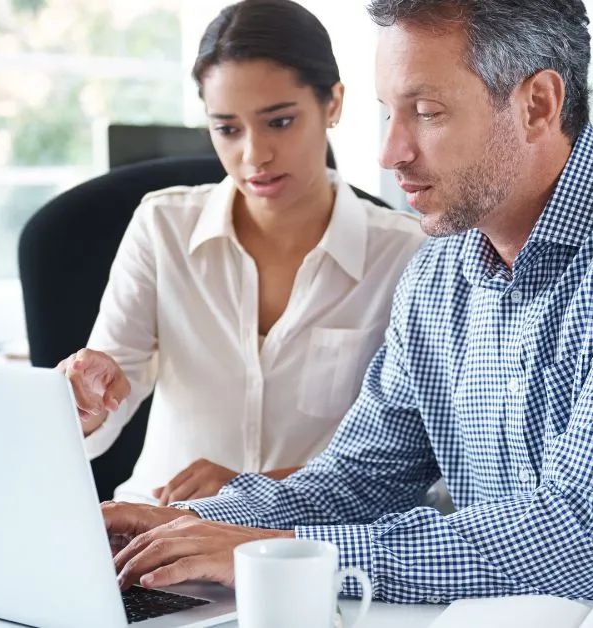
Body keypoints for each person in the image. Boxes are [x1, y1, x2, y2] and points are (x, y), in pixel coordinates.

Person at [100, 0, 593, 623]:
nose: (389, 152)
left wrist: (272, 552)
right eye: (389, 113)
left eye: (426, 112)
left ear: (538, 104)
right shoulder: (444, 268)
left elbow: (576, 536)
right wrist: (192, 526)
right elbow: (359, 477)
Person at [60, 0, 425, 505]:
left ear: (333, 104)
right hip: (156, 527)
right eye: (228, 129)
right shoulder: (162, 227)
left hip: (308, 546)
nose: (254, 154)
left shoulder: (407, 255)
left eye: (279, 122)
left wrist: (253, 490)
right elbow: (104, 410)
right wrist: (83, 400)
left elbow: (423, 460)